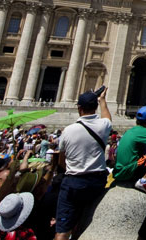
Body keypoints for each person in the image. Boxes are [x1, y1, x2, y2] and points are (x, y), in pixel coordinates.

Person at [55, 87, 112, 240]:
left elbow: (61, 160)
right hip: (96, 181)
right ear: (95, 107)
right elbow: (107, 117)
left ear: (79, 108)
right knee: (87, 223)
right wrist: (102, 101)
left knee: (62, 230)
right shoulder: (103, 127)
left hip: (73, 180)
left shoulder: (68, 131)